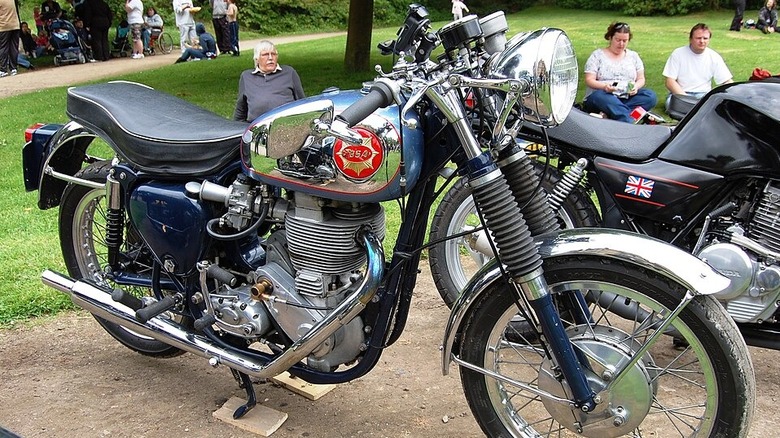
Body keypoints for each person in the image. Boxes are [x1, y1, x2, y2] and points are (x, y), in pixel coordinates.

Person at [582, 22, 657, 123]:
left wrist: (636, 87)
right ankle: (629, 119)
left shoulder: (633, 56)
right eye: (618, 40)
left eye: (625, 41)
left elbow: (641, 79)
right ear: (610, 38)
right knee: (599, 97)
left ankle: (610, 114)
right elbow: (589, 80)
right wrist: (605, 87)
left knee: (650, 96)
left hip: (626, 96)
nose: (621, 44)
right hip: (604, 95)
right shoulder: (597, 56)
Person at [662, 23, 733, 112]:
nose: (702, 41)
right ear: (691, 39)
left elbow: (726, 81)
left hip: (703, 95)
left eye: (705, 38)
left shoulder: (714, 57)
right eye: (698, 38)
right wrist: (685, 99)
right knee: (672, 104)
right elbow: (670, 81)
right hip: (680, 94)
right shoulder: (678, 54)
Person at [233, 40, 305, 122]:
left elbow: (301, 102)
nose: (270, 58)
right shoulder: (246, 76)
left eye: (273, 54)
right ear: (257, 59)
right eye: (265, 54)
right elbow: (241, 109)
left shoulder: (289, 72)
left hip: (285, 124)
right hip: (257, 127)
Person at [0, 0, 21, 78]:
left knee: (3, 48)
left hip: (4, 26)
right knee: (13, 47)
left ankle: (3, 69)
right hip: (15, 25)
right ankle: (13, 68)